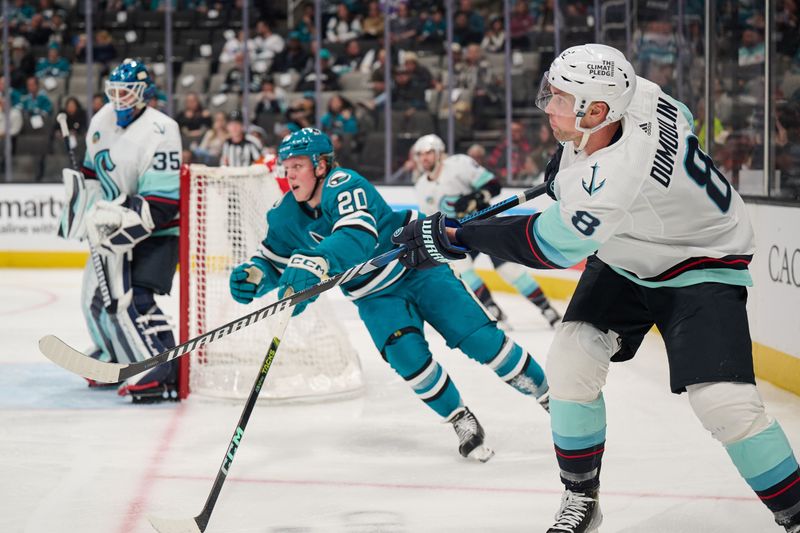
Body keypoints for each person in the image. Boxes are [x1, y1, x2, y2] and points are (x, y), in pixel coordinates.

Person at [392, 44, 800, 533]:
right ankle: (582, 496)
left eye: (561, 100)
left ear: (598, 110)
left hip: (701, 263)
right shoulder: (642, 95)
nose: (549, 105)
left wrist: (455, 236)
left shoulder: (613, 180)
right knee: (569, 365)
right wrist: (567, 162)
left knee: (726, 406)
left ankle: (796, 513)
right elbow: (679, 117)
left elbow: (547, 246)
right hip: (631, 252)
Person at [228, 128, 551, 462]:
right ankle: (459, 418)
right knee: (408, 359)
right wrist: (256, 275)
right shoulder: (283, 215)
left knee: (481, 341)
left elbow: (357, 237)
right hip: (374, 296)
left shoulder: (344, 184)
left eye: (297, 166)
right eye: (286, 166)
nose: (289, 174)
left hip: (418, 270)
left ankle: (548, 397)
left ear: (321, 165)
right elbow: (273, 261)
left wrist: (319, 261)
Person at [56, 59, 181, 403]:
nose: (119, 98)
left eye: (126, 91)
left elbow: (162, 203)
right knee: (92, 300)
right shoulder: (101, 120)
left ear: (144, 94)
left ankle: (159, 366)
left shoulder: (162, 128)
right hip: (112, 224)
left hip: (157, 232)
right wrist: (85, 205)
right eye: (115, 91)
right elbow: (92, 173)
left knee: (129, 300)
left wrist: (114, 219)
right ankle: (115, 355)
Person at [412, 134, 560, 328]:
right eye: (421, 154)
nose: (425, 158)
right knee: (463, 271)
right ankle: (492, 309)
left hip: (485, 223)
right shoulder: (421, 186)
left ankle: (547, 309)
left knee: (509, 270)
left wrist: (475, 198)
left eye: (429, 153)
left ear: (439, 153)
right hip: (458, 234)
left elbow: (493, 185)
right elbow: (433, 220)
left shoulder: (459, 164)